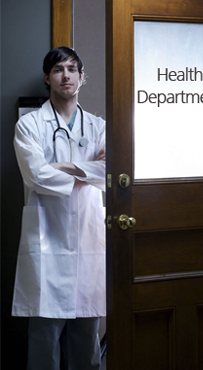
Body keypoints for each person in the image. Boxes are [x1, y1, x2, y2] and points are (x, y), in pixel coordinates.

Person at [12, 47, 106, 370]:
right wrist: (86, 171)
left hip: (87, 239)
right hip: (46, 239)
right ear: (47, 78)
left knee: (87, 337)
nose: (65, 76)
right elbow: (36, 175)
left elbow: (112, 172)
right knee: (43, 339)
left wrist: (64, 167)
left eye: (71, 69)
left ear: (82, 76)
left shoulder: (98, 126)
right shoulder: (30, 126)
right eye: (57, 70)